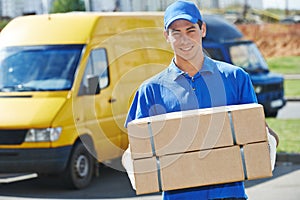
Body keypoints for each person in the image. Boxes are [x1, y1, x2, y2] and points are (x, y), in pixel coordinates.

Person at [123, 0, 279, 199]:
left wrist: (267, 140)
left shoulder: (235, 78)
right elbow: (136, 152)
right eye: (176, 33)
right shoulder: (151, 91)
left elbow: (257, 136)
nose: (184, 40)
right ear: (166, 36)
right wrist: (132, 162)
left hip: (230, 195)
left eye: (190, 31)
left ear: (202, 29)